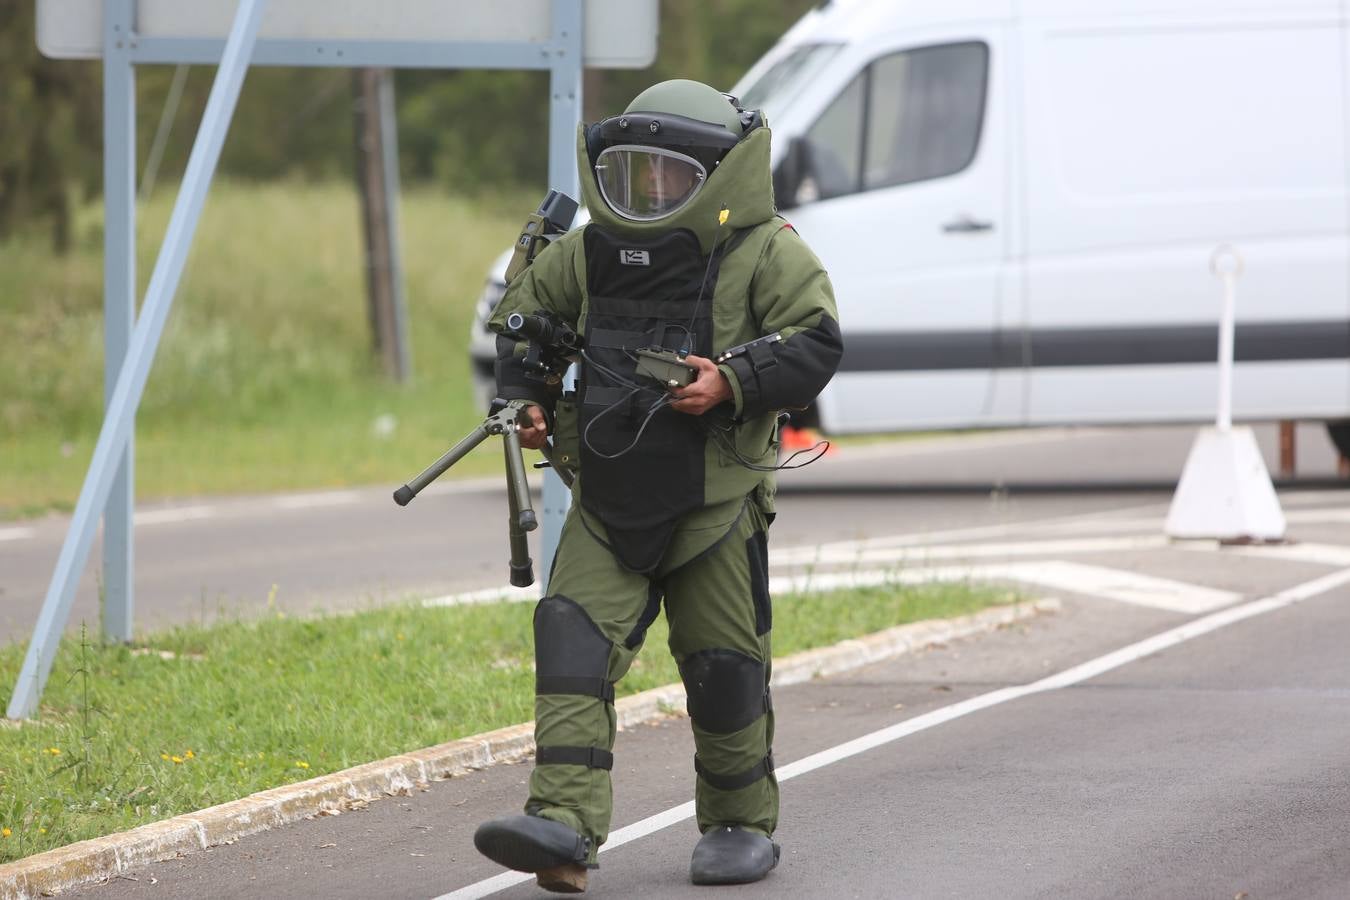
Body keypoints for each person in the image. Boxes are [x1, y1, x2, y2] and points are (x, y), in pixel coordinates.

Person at [472, 79, 842, 893]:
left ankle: (739, 823)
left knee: (723, 668)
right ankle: (561, 825)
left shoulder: (768, 250)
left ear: (721, 174)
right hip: (607, 497)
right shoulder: (586, 250)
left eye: (670, 174)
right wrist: (527, 404)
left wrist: (733, 380)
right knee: (570, 641)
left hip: (716, 503)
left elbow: (816, 344)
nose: (650, 190)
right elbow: (525, 328)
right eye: (633, 172)